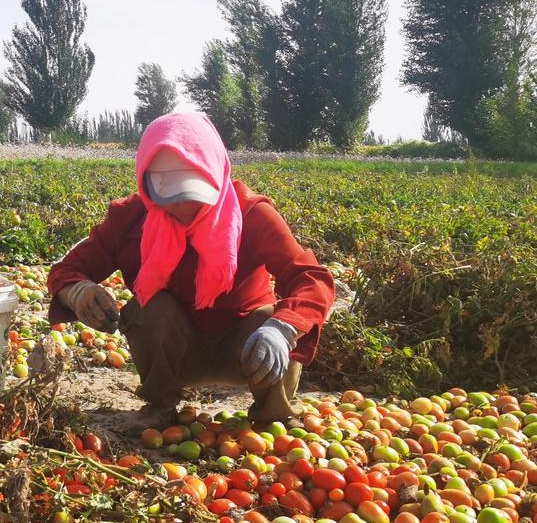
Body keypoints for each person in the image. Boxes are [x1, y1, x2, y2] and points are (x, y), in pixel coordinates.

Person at [47, 112, 334, 426]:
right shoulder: (129, 218)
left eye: (193, 193)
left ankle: (273, 413)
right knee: (149, 308)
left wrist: (283, 328)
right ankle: (159, 405)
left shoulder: (250, 213)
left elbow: (311, 278)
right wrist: (78, 292)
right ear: (145, 184)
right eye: (170, 194)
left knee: (272, 317)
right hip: (175, 354)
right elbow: (68, 269)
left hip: (248, 350)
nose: (183, 207)